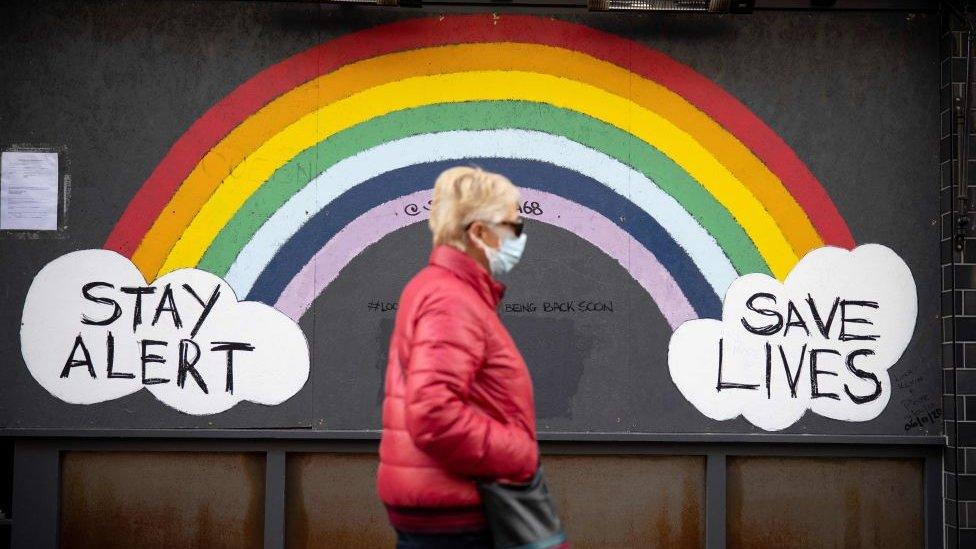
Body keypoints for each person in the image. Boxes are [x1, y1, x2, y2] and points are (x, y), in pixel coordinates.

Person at [377, 166, 539, 548]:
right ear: (480, 232)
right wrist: (520, 456)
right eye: (514, 227)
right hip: (456, 513)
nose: (520, 238)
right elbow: (434, 413)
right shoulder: (451, 300)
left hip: (441, 501)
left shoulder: (438, 288)